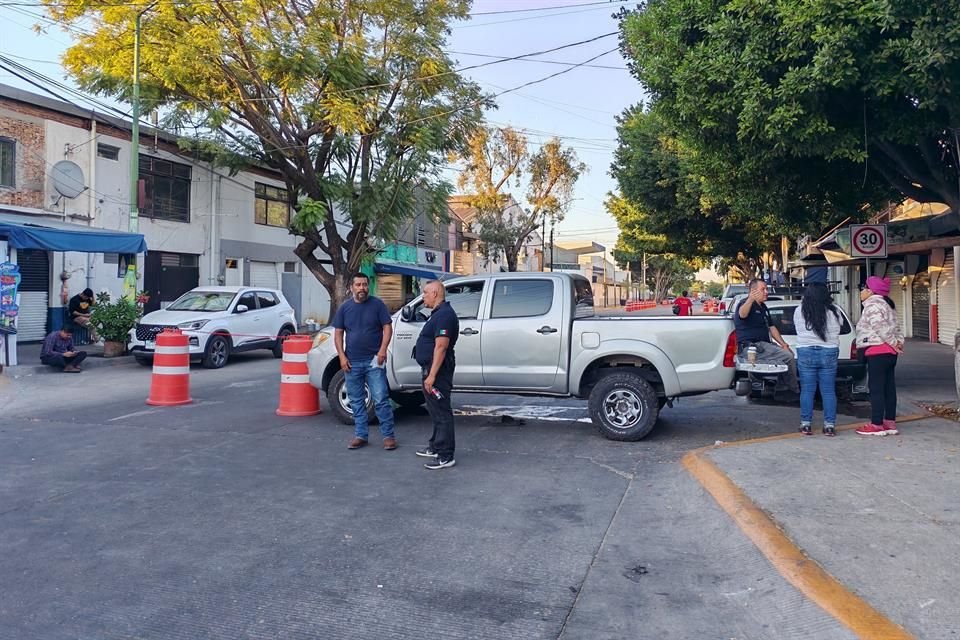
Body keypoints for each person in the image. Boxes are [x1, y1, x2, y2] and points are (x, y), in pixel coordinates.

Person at [332, 273, 397, 451]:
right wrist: (342, 356)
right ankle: (361, 435)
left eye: (365, 285)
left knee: (381, 398)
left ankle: (388, 436)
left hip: (374, 361)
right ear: (351, 287)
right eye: (358, 285)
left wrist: (383, 350)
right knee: (356, 401)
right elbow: (338, 333)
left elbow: (387, 327)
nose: (362, 288)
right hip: (352, 361)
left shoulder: (377, 305)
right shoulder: (345, 308)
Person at [414, 280, 459, 470]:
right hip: (430, 368)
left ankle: (445, 455)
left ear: (435, 293)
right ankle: (435, 446)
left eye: (425, 293)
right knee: (434, 410)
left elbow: (441, 347)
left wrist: (432, 376)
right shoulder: (438, 314)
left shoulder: (445, 316)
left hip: (438, 371)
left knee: (442, 412)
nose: (423, 296)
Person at [733, 278, 799, 398]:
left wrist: (784, 344)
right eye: (763, 289)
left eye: (766, 289)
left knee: (787, 353)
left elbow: (771, 327)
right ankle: (788, 389)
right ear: (753, 291)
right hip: (751, 346)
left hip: (763, 346)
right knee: (788, 357)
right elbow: (742, 314)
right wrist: (750, 299)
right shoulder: (744, 303)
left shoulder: (763, 307)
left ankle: (760, 388)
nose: (766, 292)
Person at [855, 276, 904, 436]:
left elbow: (881, 328)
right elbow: (896, 327)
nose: (861, 291)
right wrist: (898, 343)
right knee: (889, 388)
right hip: (889, 353)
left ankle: (876, 424)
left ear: (870, 291)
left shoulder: (873, 306)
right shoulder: (888, 305)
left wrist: (892, 343)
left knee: (876, 389)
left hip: (877, 351)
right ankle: (890, 422)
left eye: (863, 288)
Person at [793, 283, 842, 436]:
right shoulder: (834, 311)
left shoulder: (800, 311)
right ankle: (829, 426)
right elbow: (839, 328)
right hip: (828, 351)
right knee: (828, 391)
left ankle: (806, 424)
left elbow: (797, 328)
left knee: (807, 390)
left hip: (806, 351)